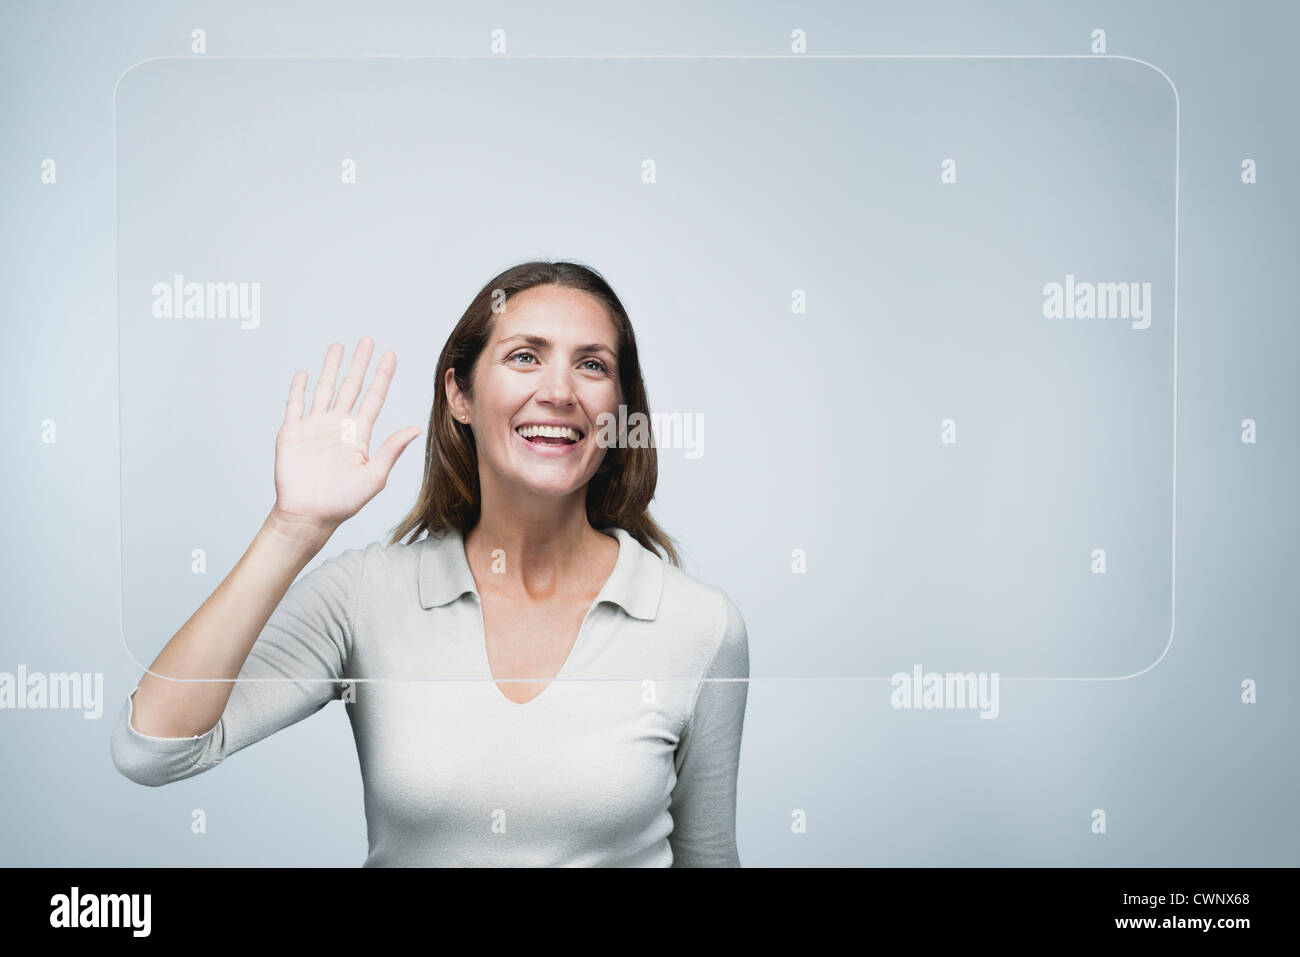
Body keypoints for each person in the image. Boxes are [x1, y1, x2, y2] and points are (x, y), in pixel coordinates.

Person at [110, 260, 750, 867]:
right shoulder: (368, 597)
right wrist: (293, 528)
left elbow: (708, 859)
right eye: (525, 356)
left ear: (618, 412)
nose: (558, 391)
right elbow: (154, 750)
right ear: (460, 394)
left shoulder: (698, 625)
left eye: (592, 365)